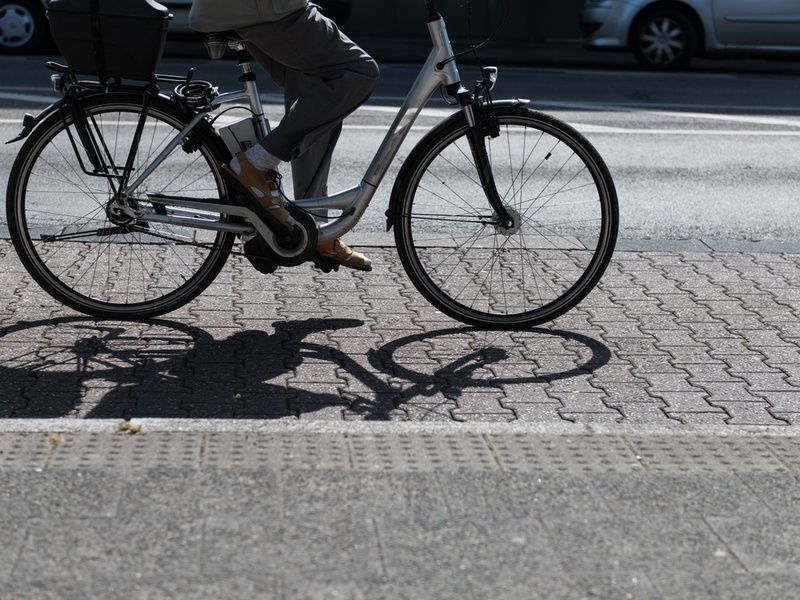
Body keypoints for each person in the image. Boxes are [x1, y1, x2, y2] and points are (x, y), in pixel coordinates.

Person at [189, 0, 379, 271]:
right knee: (360, 72)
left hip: (249, 7)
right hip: (264, 7)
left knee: (319, 89)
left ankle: (314, 227)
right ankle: (255, 163)